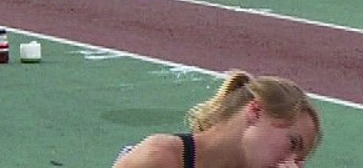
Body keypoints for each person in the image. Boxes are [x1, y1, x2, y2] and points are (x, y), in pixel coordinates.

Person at [113, 71, 321, 168]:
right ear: (255, 112)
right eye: (292, 144)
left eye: (299, 161)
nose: (290, 164)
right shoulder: (159, 158)